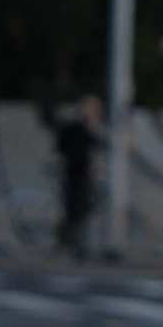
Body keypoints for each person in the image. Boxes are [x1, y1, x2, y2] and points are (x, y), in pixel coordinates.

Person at [53, 94, 102, 257]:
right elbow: (85, 149)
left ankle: (72, 244)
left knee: (77, 211)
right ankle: (68, 244)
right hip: (75, 175)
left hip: (76, 174)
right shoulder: (79, 128)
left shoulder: (78, 127)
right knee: (75, 210)